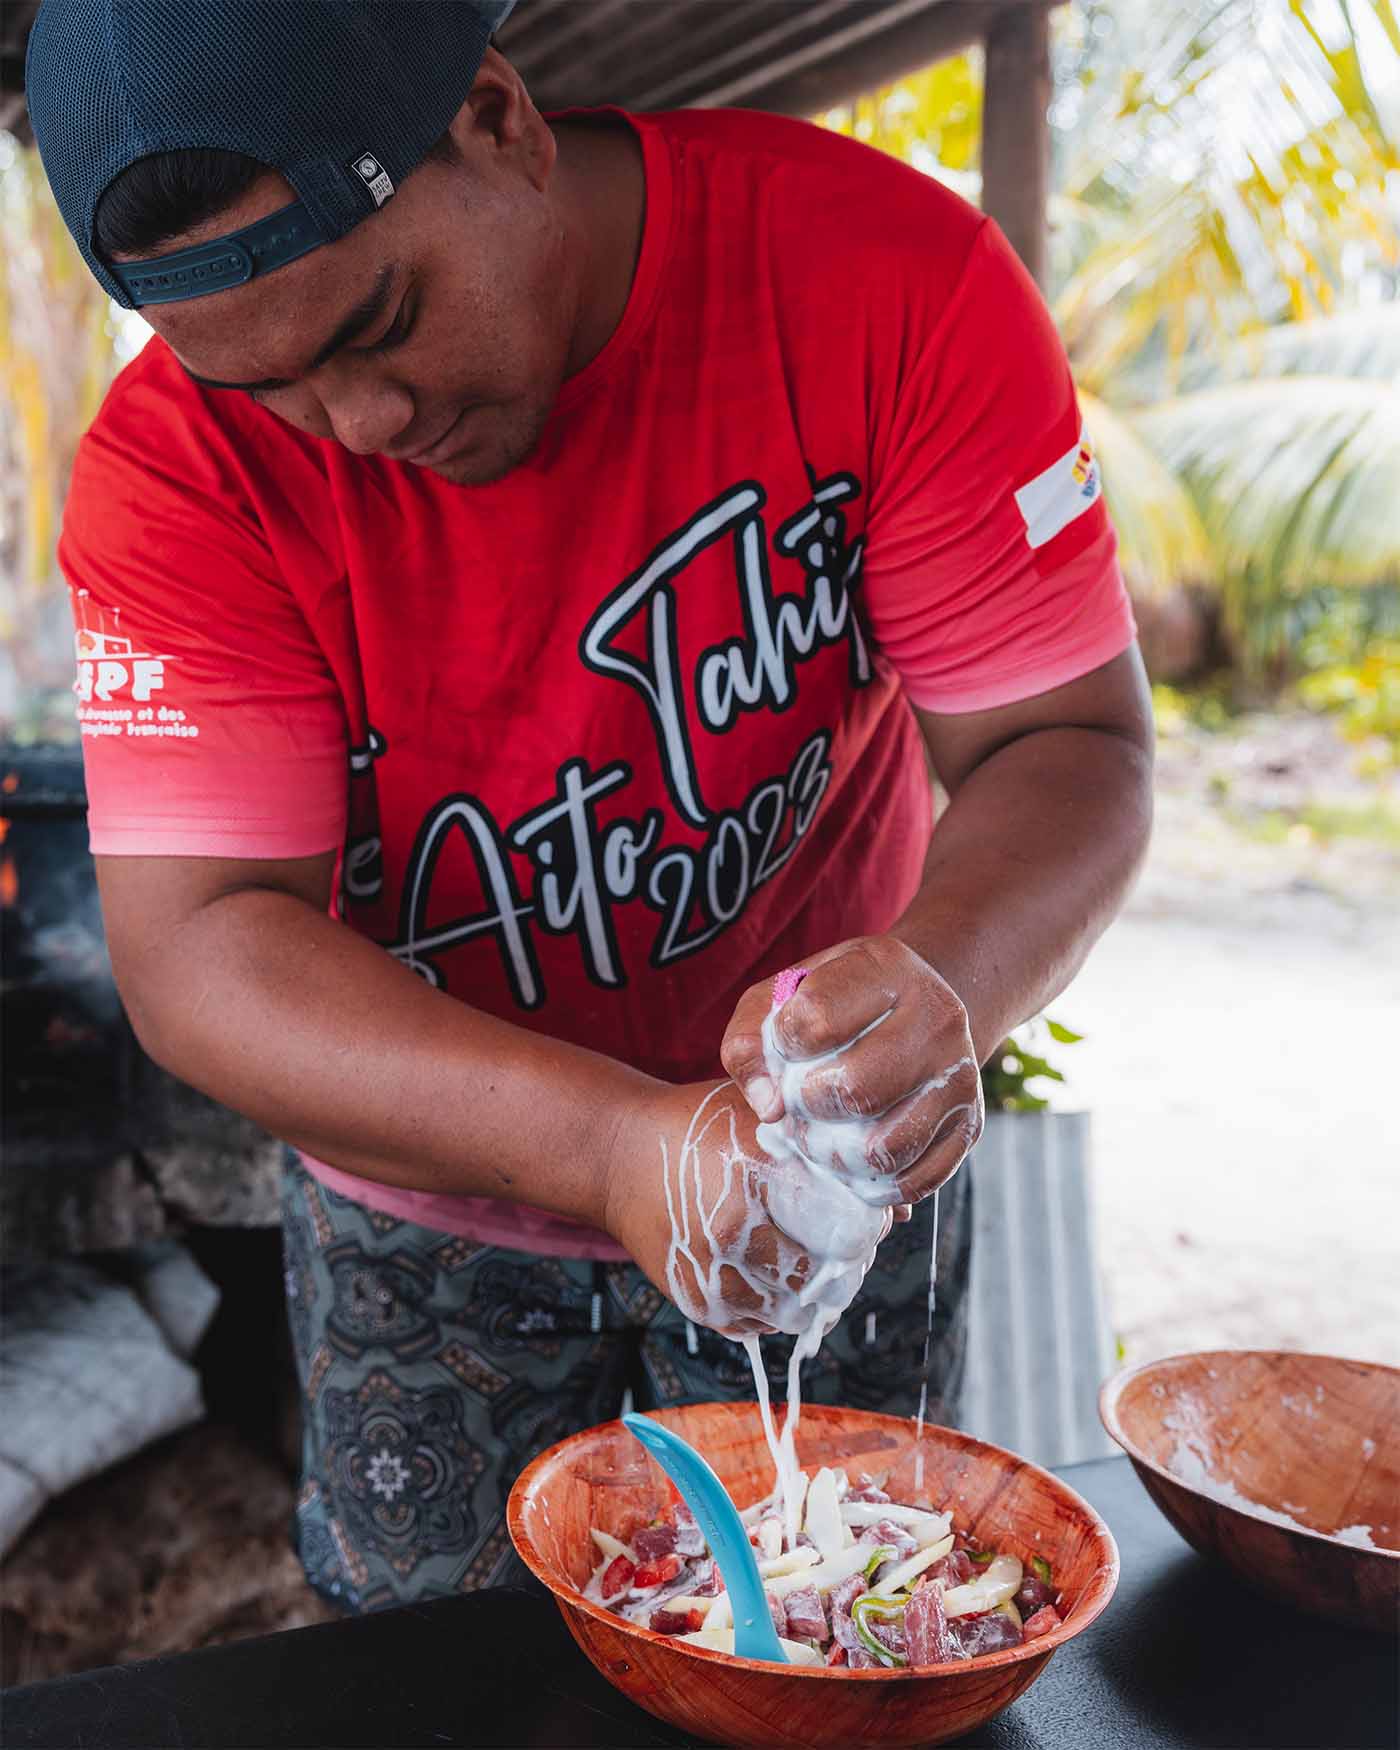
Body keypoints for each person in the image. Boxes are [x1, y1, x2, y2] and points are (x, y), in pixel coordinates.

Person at [27, 0, 1153, 1610]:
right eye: (268, 389)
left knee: (847, 1639)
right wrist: (617, 1141)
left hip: (834, 1167)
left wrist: (942, 983)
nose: (364, 427)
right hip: (420, 1214)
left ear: (498, 116)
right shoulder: (174, 479)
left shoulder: (882, 281)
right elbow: (201, 942)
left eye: (381, 320)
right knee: (440, 1699)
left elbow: (1067, 742)